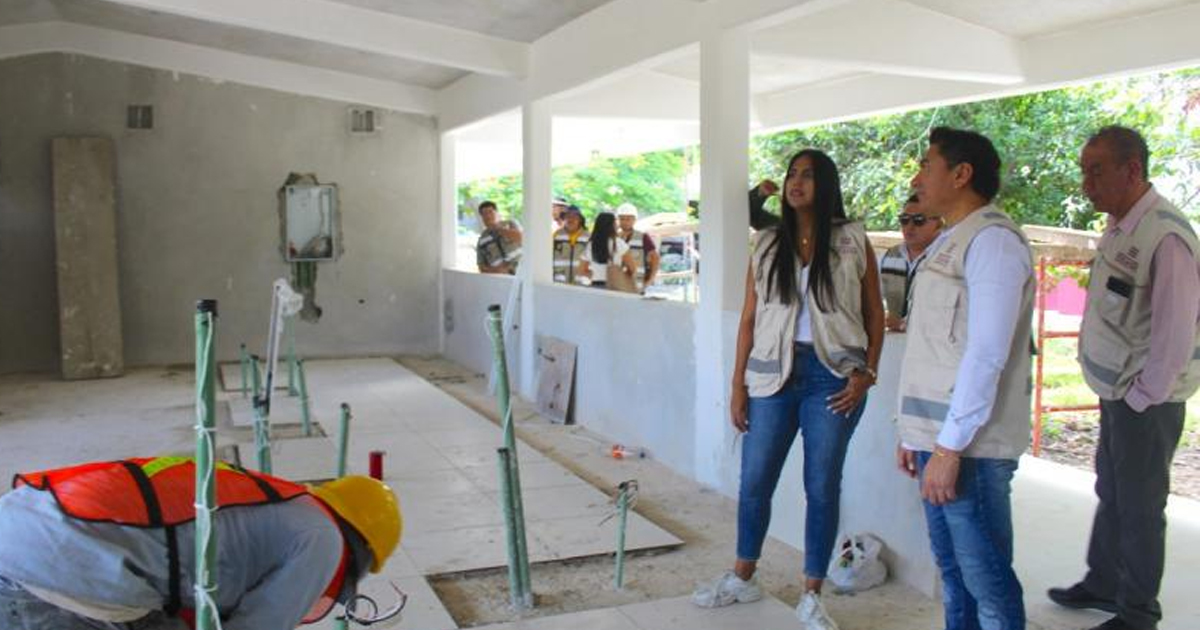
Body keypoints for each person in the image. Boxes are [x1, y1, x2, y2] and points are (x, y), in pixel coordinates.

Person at [693, 149, 884, 630]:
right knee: (755, 480)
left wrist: (868, 372)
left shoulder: (852, 239)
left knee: (821, 486)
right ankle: (743, 576)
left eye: (808, 175)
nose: (796, 182)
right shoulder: (767, 242)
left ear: (827, 184)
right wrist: (737, 386)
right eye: (792, 174)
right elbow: (748, 319)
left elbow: (874, 313)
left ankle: (812, 594)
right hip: (771, 379)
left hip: (833, 378)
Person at [1048, 126, 1200, 630]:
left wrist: (1142, 398)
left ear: (1132, 170)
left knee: (1140, 507)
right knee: (1112, 491)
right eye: (1083, 172)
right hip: (1118, 392)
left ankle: (1137, 612)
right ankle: (1103, 582)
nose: (1086, 184)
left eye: (1096, 172)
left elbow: (1175, 336)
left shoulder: (1166, 236)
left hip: (1146, 401)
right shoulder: (1122, 226)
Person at [895, 127, 1034, 630]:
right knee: (955, 575)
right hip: (939, 440)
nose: (917, 178)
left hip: (971, 448)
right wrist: (913, 435)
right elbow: (934, 351)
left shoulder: (993, 242)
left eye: (926, 166)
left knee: (987, 582)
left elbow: (986, 355)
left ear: (961, 174)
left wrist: (949, 449)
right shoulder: (951, 240)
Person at [0, 457, 402, 630]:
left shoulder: (280, 502)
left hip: (22, 528)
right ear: (362, 550)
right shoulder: (324, 539)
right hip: (68, 569)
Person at [880, 195, 942, 331]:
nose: (910, 226)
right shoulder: (889, 257)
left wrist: (903, 324)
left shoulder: (946, 259)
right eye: (904, 220)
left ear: (939, 223)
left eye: (919, 220)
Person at [580, 211, 636, 291]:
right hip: (614, 285)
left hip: (595, 285)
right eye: (615, 222)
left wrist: (594, 275)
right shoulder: (619, 243)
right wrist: (622, 276)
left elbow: (582, 269)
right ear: (612, 225)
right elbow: (632, 268)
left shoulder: (591, 244)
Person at [615, 203, 660, 292]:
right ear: (618, 220)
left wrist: (650, 280)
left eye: (628, 219)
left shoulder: (643, 237)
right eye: (622, 219)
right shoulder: (614, 237)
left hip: (637, 284)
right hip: (617, 284)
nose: (625, 222)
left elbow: (655, 258)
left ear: (634, 220)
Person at [475, 200, 523, 275]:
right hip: (500, 277)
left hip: (522, 271)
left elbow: (521, 238)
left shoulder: (510, 224)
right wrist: (497, 270)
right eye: (484, 214)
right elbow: (481, 267)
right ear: (482, 217)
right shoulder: (481, 240)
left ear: (497, 213)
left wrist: (497, 228)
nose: (488, 216)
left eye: (490, 212)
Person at [552, 205, 590, 285]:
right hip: (559, 283)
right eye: (568, 217)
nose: (571, 219)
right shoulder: (556, 235)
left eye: (574, 217)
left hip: (581, 284)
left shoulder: (588, 237)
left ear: (580, 220)